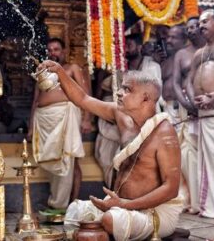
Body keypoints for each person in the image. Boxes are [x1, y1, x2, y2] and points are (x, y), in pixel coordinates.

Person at [38, 59, 186, 240]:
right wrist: (60, 72)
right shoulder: (121, 115)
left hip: (153, 213)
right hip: (122, 207)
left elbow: (171, 188)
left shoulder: (164, 132)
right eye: (122, 88)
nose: (119, 93)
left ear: (146, 98)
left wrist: (125, 205)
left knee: (110, 220)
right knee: (76, 211)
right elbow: (83, 99)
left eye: (127, 90)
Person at [28, 38, 92, 209]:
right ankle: (60, 201)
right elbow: (36, 100)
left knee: (68, 160)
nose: (53, 52)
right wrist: (30, 125)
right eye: (50, 49)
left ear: (64, 51)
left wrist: (87, 119)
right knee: (54, 161)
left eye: (56, 49)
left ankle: (66, 204)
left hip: (66, 115)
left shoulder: (72, 69)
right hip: (44, 119)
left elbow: (86, 95)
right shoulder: (42, 72)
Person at [187, 9, 214, 219]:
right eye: (199, 23)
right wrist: (191, 101)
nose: (201, 26)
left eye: (205, 21)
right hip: (203, 112)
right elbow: (188, 80)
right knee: (209, 163)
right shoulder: (199, 53)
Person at [171, 17, 207, 214]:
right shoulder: (181, 54)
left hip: (209, 107)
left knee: (208, 153)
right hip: (187, 107)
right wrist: (187, 104)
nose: (192, 30)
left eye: (195, 26)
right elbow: (177, 83)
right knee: (187, 154)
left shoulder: (212, 49)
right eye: (189, 28)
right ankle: (192, 200)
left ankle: (208, 199)